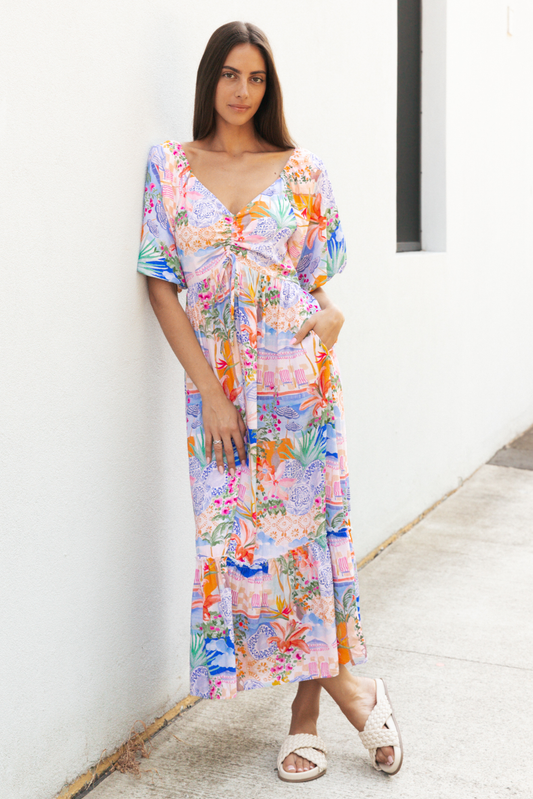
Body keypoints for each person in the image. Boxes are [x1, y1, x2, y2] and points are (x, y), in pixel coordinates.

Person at [137, 20, 403, 782]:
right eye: (229, 74)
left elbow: (317, 284)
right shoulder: (169, 167)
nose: (241, 91)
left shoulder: (302, 168)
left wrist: (330, 319)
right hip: (219, 400)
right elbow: (160, 282)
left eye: (254, 78)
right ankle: (357, 691)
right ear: (208, 80)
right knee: (240, 553)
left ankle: (305, 714)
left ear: (268, 87)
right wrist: (212, 396)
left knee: (306, 551)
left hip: (298, 390)